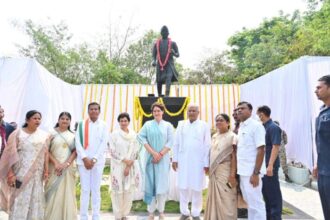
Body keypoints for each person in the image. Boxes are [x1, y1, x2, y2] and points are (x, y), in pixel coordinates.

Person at [0, 110, 49, 219]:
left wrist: (46, 170)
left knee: (35, 200)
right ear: (27, 120)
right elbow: (8, 156)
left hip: (37, 175)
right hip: (20, 174)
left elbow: (46, 153)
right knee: (19, 200)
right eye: (34, 118)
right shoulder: (17, 134)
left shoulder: (44, 135)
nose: (37, 120)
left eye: (39, 118)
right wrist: (11, 174)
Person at [172, 104, 210, 220]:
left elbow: (207, 145)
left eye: (194, 111)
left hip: (198, 162)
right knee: (183, 187)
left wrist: (206, 163)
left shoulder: (204, 125)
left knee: (197, 188)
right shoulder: (181, 124)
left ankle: (195, 213)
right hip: (183, 161)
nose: (191, 113)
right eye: (189, 111)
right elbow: (176, 143)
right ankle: (184, 212)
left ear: (198, 113)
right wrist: (175, 159)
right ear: (187, 112)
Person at [137, 102, 174, 220]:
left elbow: (170, 142)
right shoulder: (147, 125)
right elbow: (141, 137)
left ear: (163, 112)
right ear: (152, 113)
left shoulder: (168, 125)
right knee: (150, 184)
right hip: (150, 159)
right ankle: (151, 212)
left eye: (159, 110)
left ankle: (161, 211)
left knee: (161, 185)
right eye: (154, 111)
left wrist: (160, 154)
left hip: (163, 160)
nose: (156, 113)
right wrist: (153, 153)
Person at [75, 102, 108, 220]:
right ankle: (83, 216)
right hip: (83, 162)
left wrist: (94, 159)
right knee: (84, 189)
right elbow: (77, 142)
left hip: (97, 162)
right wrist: (84, 158)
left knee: (95, 189)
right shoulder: (81, 124)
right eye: (91, 109)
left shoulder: (103, 125)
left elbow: (104, 143)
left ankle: (96, 216)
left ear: (99, 111)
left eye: (96, 109)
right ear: (88, 111)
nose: (93, 111)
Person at [236, 101, 266, 220]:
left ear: (250, 111)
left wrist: (255, 173)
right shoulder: (242, 126)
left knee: (256, 203)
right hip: (243, 171)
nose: (239, 111)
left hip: (252, 172)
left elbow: (261, 150)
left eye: (242, 108)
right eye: (238, 109)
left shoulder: (256, 126)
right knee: (250, 203)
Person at [204, 113, 237, 220]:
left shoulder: (232, 137)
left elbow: (234, 158)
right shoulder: (214, 136)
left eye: (221, 120)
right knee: (214, 198)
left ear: (228, 123)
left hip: (226, 172)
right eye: (217, 120)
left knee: (226, 198)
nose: (218, 122)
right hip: (214, 172)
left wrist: (232, 175)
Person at [45, 112, 77, 220]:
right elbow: (46, 151)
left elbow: (75, 151)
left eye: (67, 119)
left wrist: (66, 164)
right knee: (51, 191)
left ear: (69, 121)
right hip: (53, 168)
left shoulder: (72, 135)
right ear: (58, 120)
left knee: (66, 193)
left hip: (67, 169)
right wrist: (56, 163)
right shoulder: (51, 134)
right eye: (62, 118)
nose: (64, 121)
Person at [109, 113, 140, 220]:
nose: (123, 123)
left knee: (128, 191)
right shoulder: (114, 135)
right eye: (121, 121)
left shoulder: (133, 135)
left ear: (128, 122)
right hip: (118, 165)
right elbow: (112, 151)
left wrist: (128, 165)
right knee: (118, 191)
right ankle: (118, 216)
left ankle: (124, 214)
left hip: (130, 166)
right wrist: (124, 159)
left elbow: (136, 151)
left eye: (125, 120)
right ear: (119, 122)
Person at [257, 106, 283, 220]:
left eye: (258, 115)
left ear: (262, 114)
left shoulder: (273, 127)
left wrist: (270, 165)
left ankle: (276, 217)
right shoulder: (263, 127)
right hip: (264, 166)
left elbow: (276, 146)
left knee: (273, 195)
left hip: (270, 166)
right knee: (266, 195)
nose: (258, 117)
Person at [313, 75, 330, 220]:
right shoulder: (322, 110)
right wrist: (317, 164)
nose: (316, 90)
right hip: (324, 170)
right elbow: (321, 141)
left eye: (319, 87)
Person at [152, 25, 179, 97]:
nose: (164, 33)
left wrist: (173, 53)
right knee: (159, 79)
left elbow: (178, 54)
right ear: (161, 33)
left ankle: (167, 94)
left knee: (168, 77)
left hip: (169, 64)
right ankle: (159, 94)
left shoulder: (173, 43)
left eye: (165, 32)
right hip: (159, 64)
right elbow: (154, 54)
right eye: (163, 32)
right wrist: (154, 60)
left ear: (168, 33)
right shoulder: (157, 43)